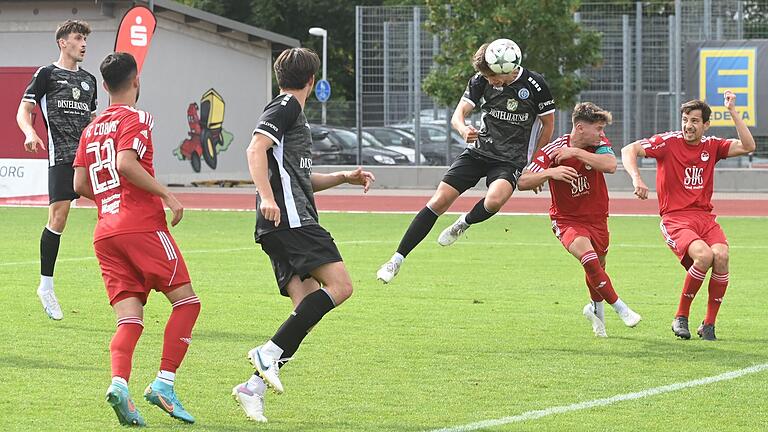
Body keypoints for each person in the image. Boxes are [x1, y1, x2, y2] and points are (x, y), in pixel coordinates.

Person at [232, 47, 374, 423]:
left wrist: (344, 176)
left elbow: (300, 179)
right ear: (312, 80)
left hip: (284, 221)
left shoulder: (293, 115)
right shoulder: (286, 107)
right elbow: (254, 149)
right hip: (291, 221)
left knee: (305, 311)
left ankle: (252, 387)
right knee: (341, 286)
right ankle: (265, 356)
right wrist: (265, 197)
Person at [73, 52, 200, 426]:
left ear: (106, 84)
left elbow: (79, 184)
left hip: (104, 232)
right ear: (136, 81)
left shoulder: (91, 127)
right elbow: (126, 162)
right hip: (142, 226)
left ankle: (120, 386)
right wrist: (168, 196)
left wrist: (111, 203)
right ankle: (164, 383)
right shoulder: (138, 117)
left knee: (129, 320)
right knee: (188, 303)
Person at [376, 39, 555, 283]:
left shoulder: (535, 84)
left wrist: (537, 164)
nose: (490, 81)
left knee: (494, 201)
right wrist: (462, 130)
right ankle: (396, 260)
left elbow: (548, 126)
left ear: (506, 69)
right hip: (478, 152)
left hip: (510, 160)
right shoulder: (480, 80)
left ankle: (464, 222)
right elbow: (458, 115)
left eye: (493, 76)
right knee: (438, 201)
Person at [621, 91, 754, 341]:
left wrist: (733, 111)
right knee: (703, 256)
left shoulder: (712, 145)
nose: (688, 126)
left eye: (694, 121)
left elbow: (748, 146)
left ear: (705, 125)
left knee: (722, 256)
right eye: (685, 119)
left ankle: (709, 325)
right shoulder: (668, 142)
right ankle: (680, 317)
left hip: (704, 218)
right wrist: (637, 178)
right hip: (676, 218)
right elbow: (629, 149)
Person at [518, 102, 642, 337]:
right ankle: (621, 308)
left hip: (597, 219)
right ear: (580, 127)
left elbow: (611, 165)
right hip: (567, 220)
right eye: (598, 128)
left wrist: (575, 153)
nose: (602, 134)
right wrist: (549, 172)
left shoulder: (599, 145)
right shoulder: (553, 149)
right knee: (589, 259)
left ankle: (595, 311)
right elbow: (523, 180)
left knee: (598, 267)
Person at [16, 20, 98, 320]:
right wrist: (29, 132)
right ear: (63, 42)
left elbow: (91, 121)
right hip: (62, 155)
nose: (84, 43)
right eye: (78, 38)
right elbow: (24, 110)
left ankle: (130, 281)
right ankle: (46, 286)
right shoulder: (47, 74)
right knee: (59, 218)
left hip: (89, 158)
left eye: (85, 38)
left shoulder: (89, 81)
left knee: (113, 207)